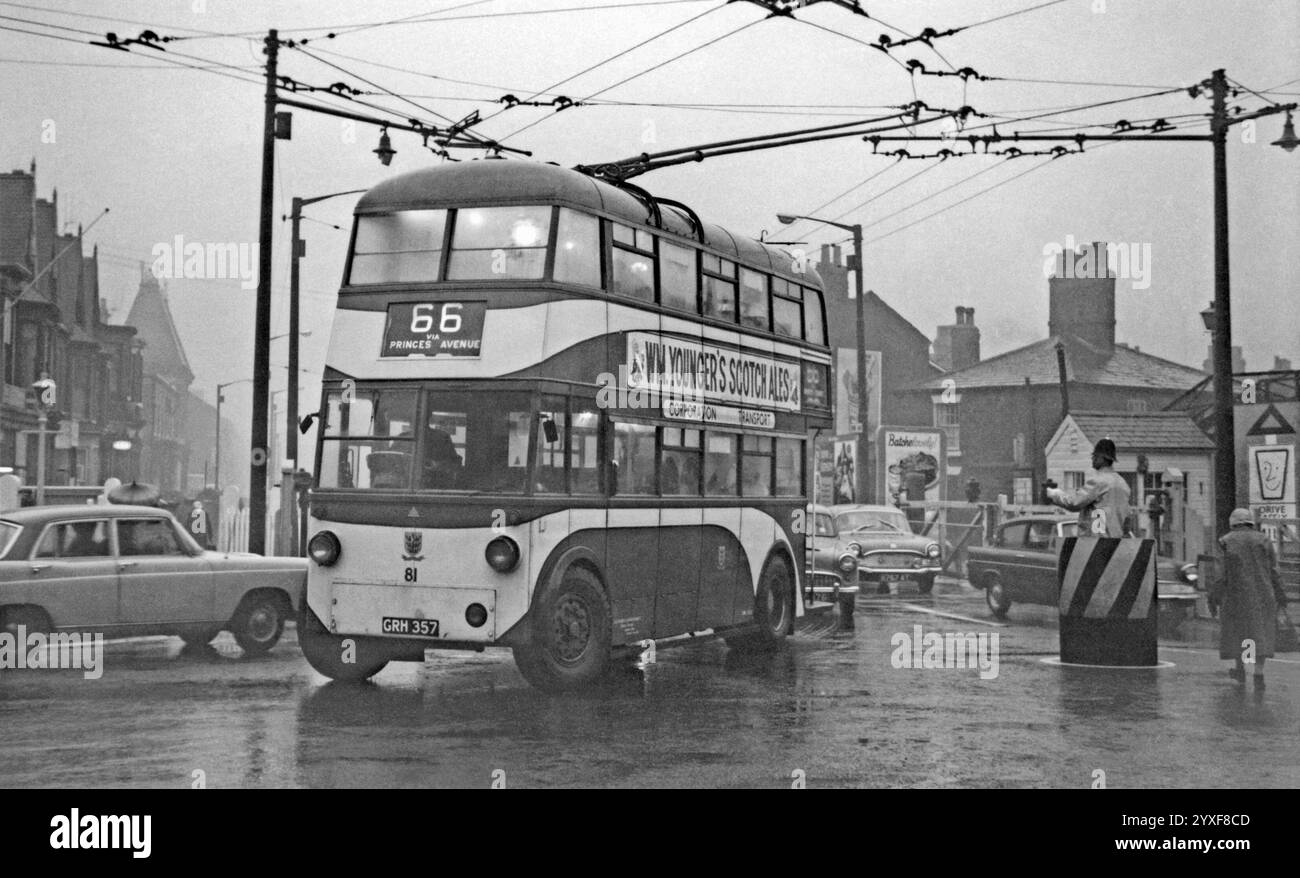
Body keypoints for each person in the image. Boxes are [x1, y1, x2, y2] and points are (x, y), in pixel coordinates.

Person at [1210, 508, 1288, 688]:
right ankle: (1258, 673)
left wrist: (1214, 596)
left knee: (1241, 632)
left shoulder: (1225, 542)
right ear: (1251, 522)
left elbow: (1221, 575)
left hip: (1236, 595)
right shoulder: (1264, 540)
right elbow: (1274, 571)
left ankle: (1241, 669)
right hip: (1263, 595)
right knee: (1259, 632)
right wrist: (1281, 594)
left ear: (1233, 523)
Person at [1045, 437, 1132, 537]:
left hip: (1094, 543)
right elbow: (1127, 518)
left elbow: (1074, 503)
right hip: (1117, 542)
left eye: (1095, 456)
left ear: (1102, 458)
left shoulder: (1098, 482)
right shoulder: (1123, 484)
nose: (1092, 459)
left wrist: (1055, 494)